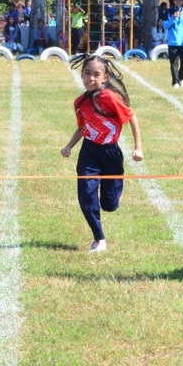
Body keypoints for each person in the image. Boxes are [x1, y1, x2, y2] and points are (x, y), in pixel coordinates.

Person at [60, 55, 143, 253]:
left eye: (96, 74)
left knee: (110, 204)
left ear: (104, 77)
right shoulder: (80, 102)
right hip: (89, 152)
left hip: (110, 153)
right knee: (86, 195)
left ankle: (109, 202)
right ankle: (99, 238)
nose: (91, 78)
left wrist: (138, 147)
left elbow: (131, 118)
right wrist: (69, 146)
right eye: (87, 73)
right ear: (81, 75)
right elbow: (82, 128)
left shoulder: (109, 97)